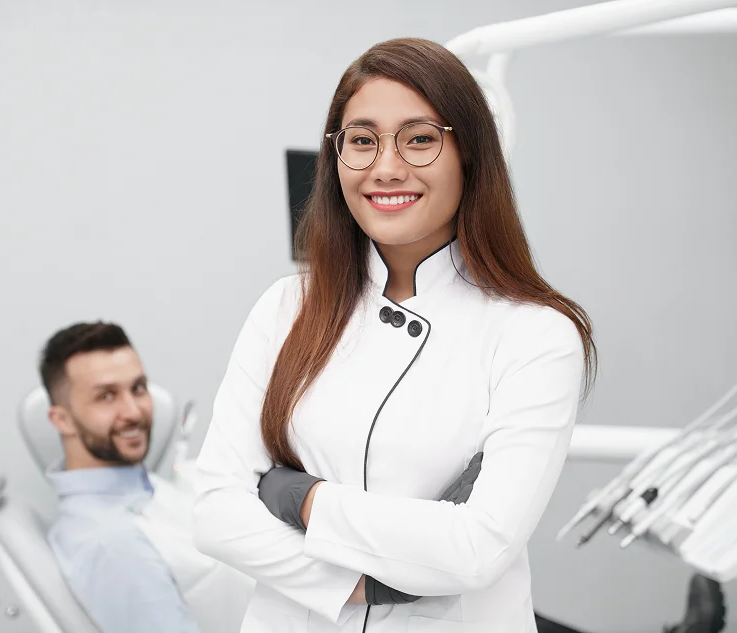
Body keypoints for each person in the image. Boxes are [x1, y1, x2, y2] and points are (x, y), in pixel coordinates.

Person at [190, 36, 598, 633]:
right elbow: (215, 514)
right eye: (361, 140)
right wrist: (358, 585)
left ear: (471, 155)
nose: (385, 167)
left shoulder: (535, 334)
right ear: (336, 158)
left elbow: (477, 546)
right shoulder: (285, 309)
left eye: (420, 138)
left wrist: (295, 498)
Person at [39, 321, 203, 633]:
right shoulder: (114, 546)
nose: (133, 412)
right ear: (63, 420)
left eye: (138, 389)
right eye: (106, 396)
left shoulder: (137, 489)